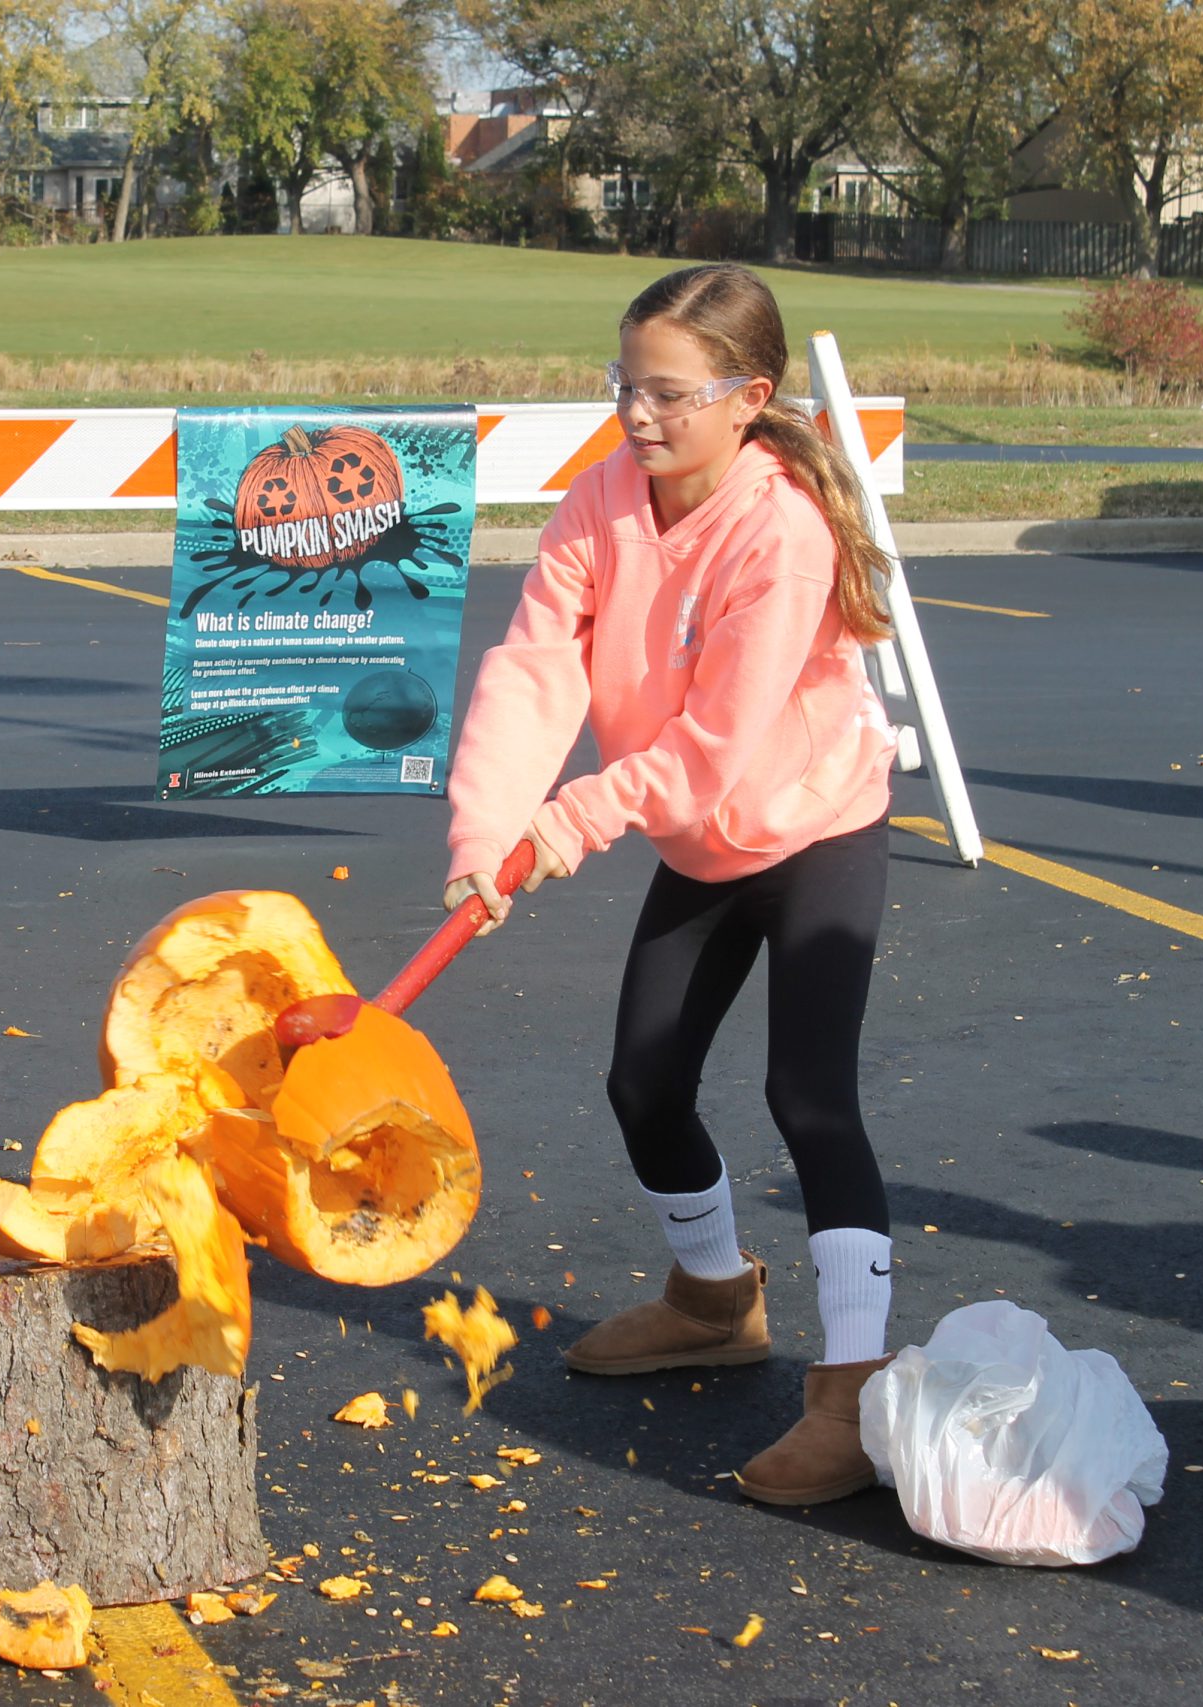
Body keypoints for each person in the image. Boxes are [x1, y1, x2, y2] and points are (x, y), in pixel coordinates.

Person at [442, 263, 901, 1506]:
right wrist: (488, 833)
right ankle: (713, 1302)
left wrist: (568, 823)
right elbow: (537, 663)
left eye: (667, 394)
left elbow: (713, 749)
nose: (637, 417)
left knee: (807, 1098)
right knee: (643, 1081)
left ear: (748, 397)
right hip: (703, 843)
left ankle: (853, 1391)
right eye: (623, 386)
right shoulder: (604, 501)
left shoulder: (780, 532)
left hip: (813, 830)